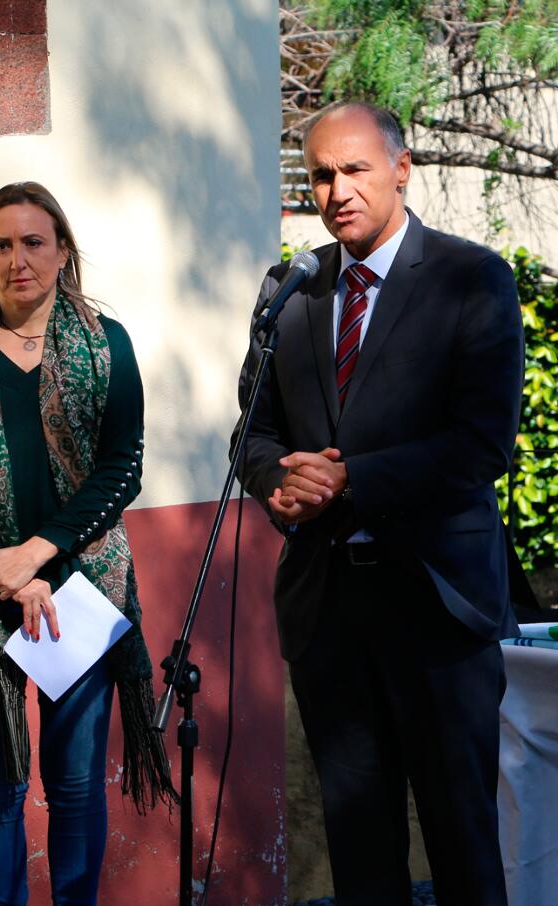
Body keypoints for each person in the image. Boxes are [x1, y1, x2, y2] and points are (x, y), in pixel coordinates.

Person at [235, 102, 523, 905]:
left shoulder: (472, 278)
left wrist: (350, 476)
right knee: (361, 857)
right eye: (321, 174)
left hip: (438, 608)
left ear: (401, 168)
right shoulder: (292, 292)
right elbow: (252, 432)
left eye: (355, 169)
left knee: (463, 843)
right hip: (330, 612)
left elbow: (482, 446)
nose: (337, 191)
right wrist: (278, 482)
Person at [0, 181, 174, 906]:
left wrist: (39, 554)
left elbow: (122, 469)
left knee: (77, 779)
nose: (18, 258)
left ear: (62, 250)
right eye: (1, 244)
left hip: (80, 588)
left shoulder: (106, 344)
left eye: (34, 241)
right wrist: (1, 567)